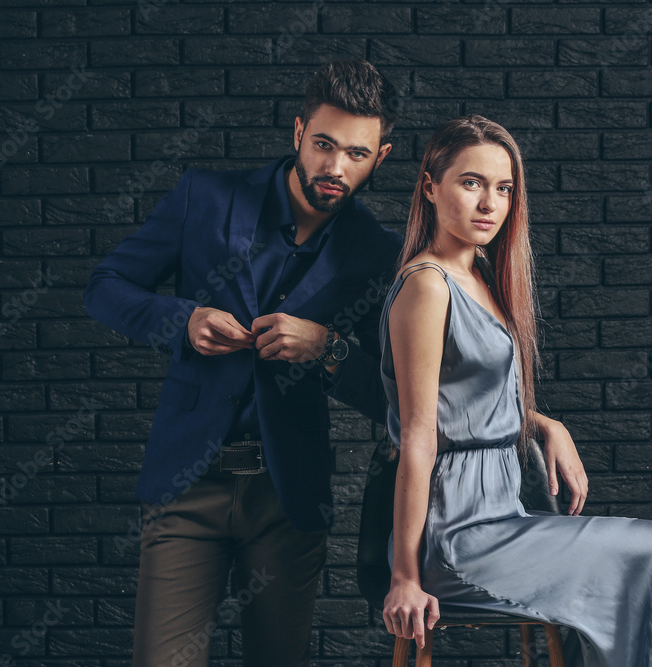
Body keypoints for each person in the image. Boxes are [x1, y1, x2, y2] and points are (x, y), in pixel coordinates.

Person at [82, 59, 403, 666]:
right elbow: (105, 287)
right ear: (299, 131)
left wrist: (327, 348)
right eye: (324, 144)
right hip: (188, 484)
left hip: (288, 496)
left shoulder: (378, 251)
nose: (335, 167)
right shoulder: (203, 197)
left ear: (380, 157)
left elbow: (392, 393)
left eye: (356, 154)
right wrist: (183, 320)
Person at [377, 114, 652, 665]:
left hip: (503, 515)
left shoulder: (482, 276)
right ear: (430, 188)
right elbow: (418, 436)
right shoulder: (428, 286)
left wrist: (544, 422)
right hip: (455, 536)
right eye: (471, 182)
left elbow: (467, 400)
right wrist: (405, 577)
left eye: (503, 188)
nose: (489, 203)